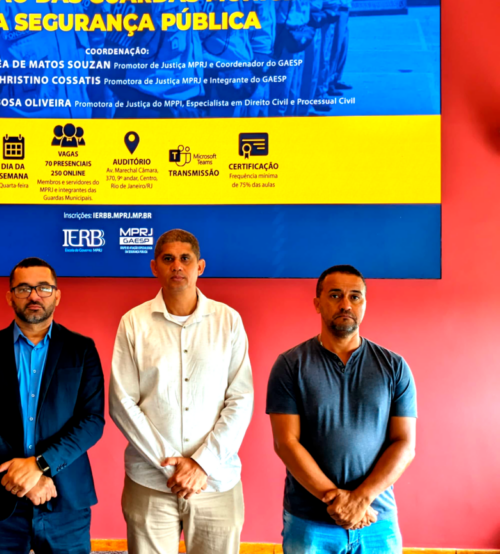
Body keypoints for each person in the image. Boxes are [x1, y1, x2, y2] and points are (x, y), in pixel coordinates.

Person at [110, 229, 254, 554]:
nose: (177, 266)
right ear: (154, 267)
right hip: (150, 480)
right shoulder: (133, 323)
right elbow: (122, 402)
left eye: (185, 259)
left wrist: (202, 464)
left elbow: (241, 399)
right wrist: (173, 468)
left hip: (216, 481)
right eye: (168, 259)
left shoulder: (228, 321)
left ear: (199, 266)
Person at [266, 264, 417, 554]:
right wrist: (339, 503)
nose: (346, 304)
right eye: (335, 295)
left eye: (355, 296)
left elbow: (405, 444)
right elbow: (286, 443)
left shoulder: (394, 367)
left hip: (376, 519)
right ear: (317, 303)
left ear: (364, 304)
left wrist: (361, 500)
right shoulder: (290, 365)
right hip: (309, 522)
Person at [0, 257, 105, 554]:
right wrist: (22, 476)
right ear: (10, 296)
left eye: (43, 288)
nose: (34, 296)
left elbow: (91, 421)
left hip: (65, 497)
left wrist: (41, 465)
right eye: (23, 288)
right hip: (2, 496)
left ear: (57, 295)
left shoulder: (82, 350)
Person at [330, 0, 355, 93]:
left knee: (343, 46)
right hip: (338, 11)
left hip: (345, 11)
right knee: (335, 48)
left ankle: (337, 78)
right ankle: (329, 82)